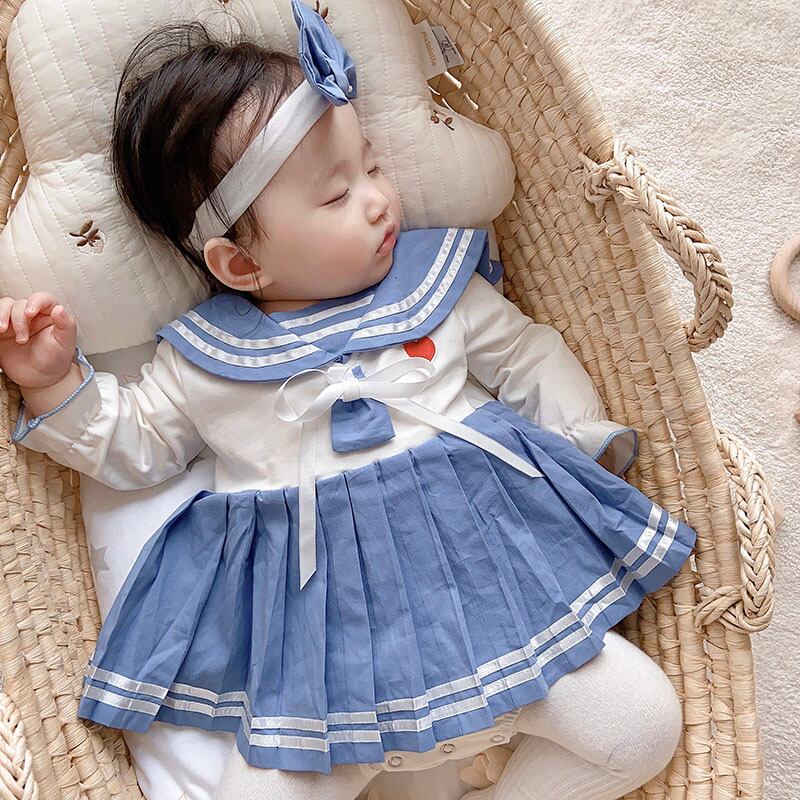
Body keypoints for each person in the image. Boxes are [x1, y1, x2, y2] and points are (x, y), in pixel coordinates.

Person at [0, 2, 696, 798]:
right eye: (336, 196)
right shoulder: (206, 359)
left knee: (644, 725)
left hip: (499, 607)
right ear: (238, 265)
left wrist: (576, 440)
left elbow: (528, 354)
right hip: (327, 673)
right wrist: (53, 380)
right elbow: (133, 445)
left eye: (370, 165)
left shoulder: (433, 289)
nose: (377, 199)